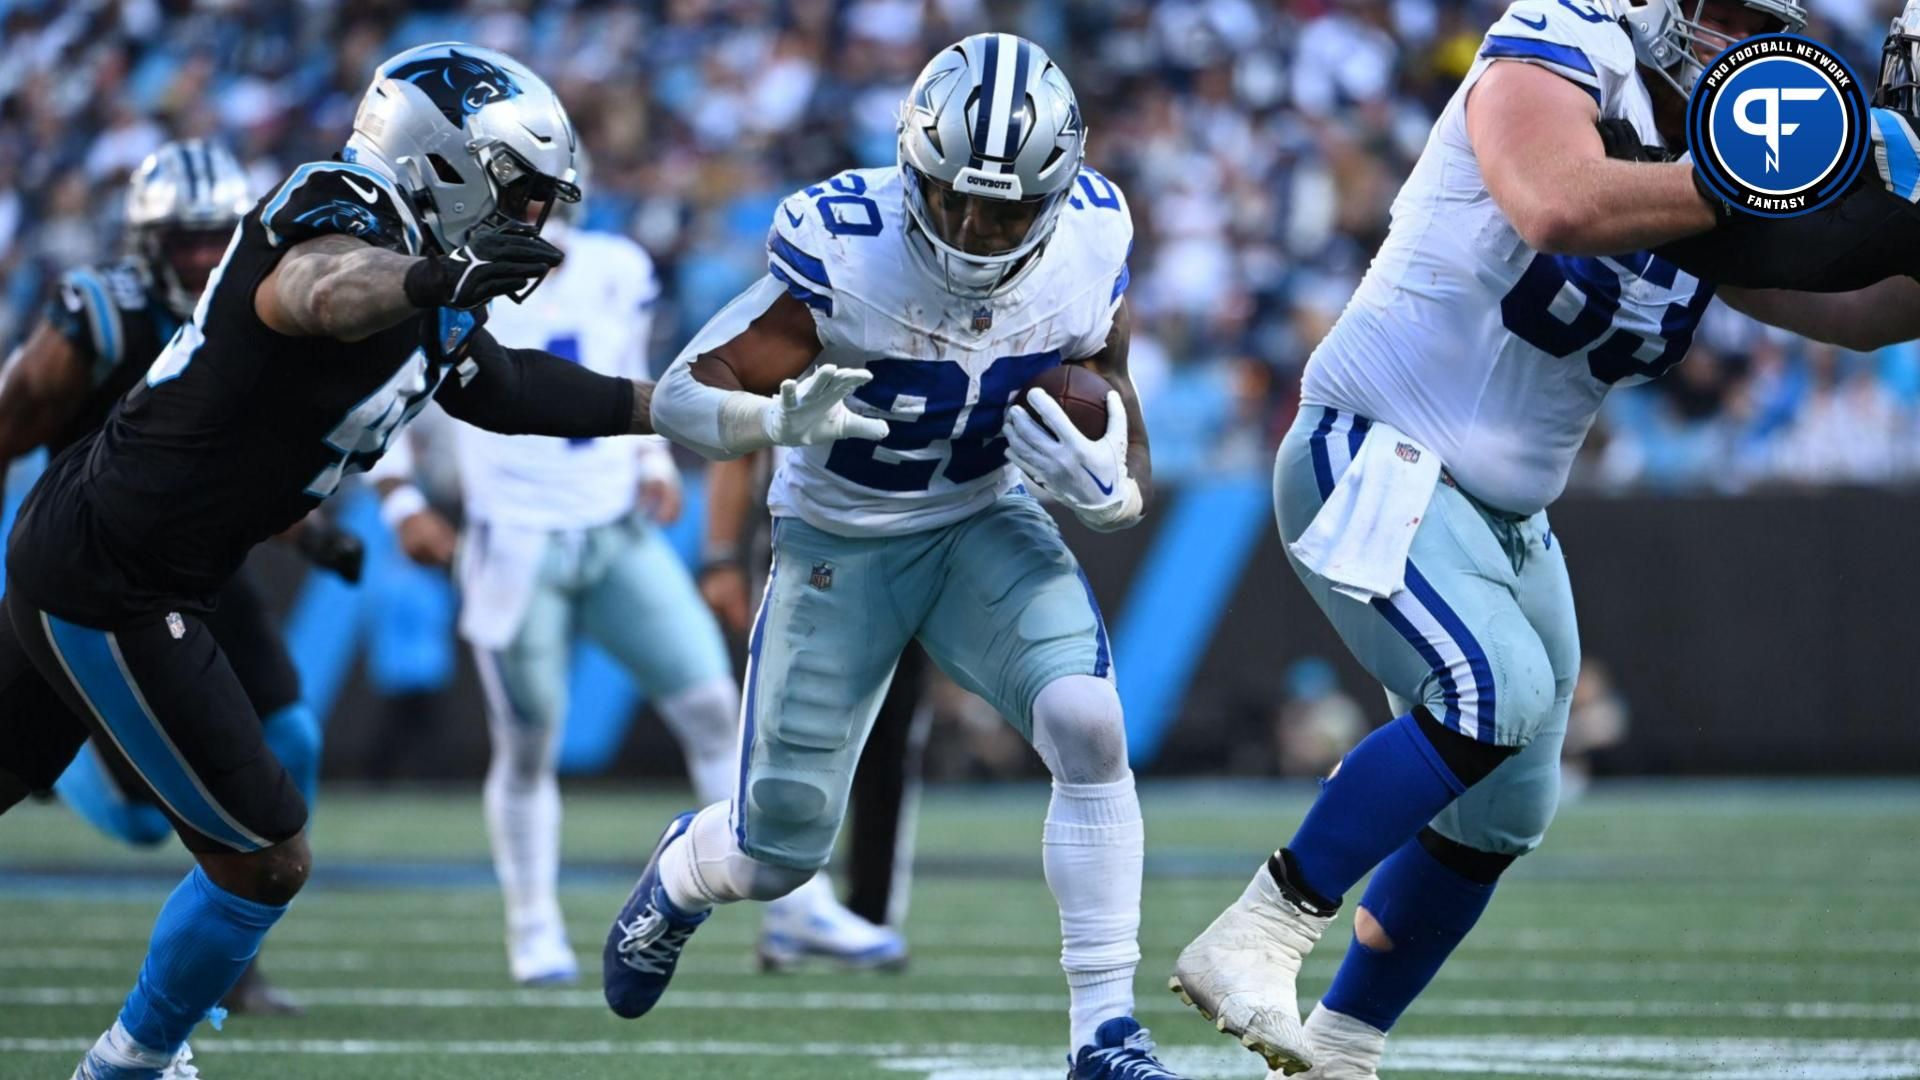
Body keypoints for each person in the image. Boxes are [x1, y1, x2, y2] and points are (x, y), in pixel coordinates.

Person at [1163, 0, 1903, 1075]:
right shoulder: (1561, 41)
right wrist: (1741, 182)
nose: (1744, 51)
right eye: (1728, 19)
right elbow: (1556, 201)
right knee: (1492, 692)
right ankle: (1259, 931)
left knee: (1506, 807)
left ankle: (1342, 1048)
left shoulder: (1705, 179)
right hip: (1370, 451)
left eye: (1764, 27)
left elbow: (1868, 313)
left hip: (1501, 515)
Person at [0, 43, 657, 1080]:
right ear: (448, 162)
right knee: (264, 857)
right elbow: (317, 291)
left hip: (125, 554)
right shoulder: (340, 203)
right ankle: (127, 1065)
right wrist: (437, 274)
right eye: (521, 196)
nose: (535, 224)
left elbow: (513, 389)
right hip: (115, 573)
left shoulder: (433, 289)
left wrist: (673, 410)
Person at [614, 33, 1180, 1080]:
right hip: (842, 541)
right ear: (911, 164)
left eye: (1003, 209)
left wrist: (1118, 486)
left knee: (1089, 725)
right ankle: (684, 875)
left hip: (979, 518)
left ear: (1054, 195)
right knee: (775, 852)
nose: (970, 227)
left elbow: (1107, 375)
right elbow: (687, 395)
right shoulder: (845, 243)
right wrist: (771, 417)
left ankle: (1105, 1032)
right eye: (952, 196)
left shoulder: (1095, 235)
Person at [377, 190, 901, 986]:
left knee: (715, 708)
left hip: (617, 529)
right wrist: (402, 498)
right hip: (515, 541)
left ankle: (796, 905)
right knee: (526, 747)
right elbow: (387, 387)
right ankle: (533, 926)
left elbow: (633, 368)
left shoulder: (615, 267)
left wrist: (654, 461)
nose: (530, 213)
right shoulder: (443, 280)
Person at [0, 138, 362, 1017]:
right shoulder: (102, 313)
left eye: (216, 237)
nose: (204, 257)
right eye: (185, 239)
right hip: (92, 568)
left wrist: (312, 541)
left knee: (295, 739)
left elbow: (257, 470)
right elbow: (12, 418)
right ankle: (68, 765)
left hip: (206, 565)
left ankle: (235, 955)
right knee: (129, 819)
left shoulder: (266, 313)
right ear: (145, 240)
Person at [699, 448, 932, 949]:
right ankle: (791, 907)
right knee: (787, 735)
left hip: (913, 542)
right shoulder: (796, 365)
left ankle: (868, 913)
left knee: (888, 740)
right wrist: (720, 556)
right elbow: (736, 441)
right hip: (806, 547)